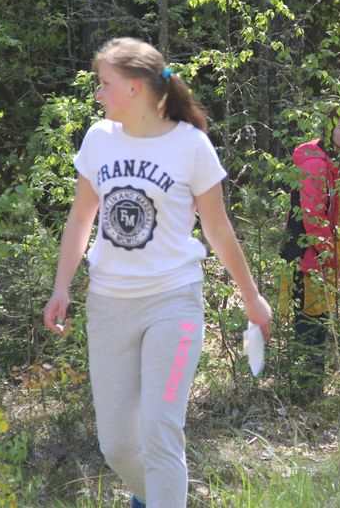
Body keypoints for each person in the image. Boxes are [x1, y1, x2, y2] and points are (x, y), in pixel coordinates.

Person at [42, 37, 272, 508]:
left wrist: (251, 297)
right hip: (109, 307)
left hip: (175, 305)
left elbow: (218, 230)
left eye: (105, 84)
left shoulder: (191, 146)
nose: (98, 94)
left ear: (134, 87)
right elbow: (81, 217)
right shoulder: (98, 140)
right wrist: (61, 286)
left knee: (160, 431)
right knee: (118, 447)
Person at [278, 106, 340, 401]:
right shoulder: (315, 164)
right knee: (309, 326)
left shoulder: (337, 163)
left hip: (319, 258)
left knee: (317, 325)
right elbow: (313, 219)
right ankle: (304, 396)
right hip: (308, 259)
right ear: (329, 131)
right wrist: (328, 258)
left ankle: (310, 393)